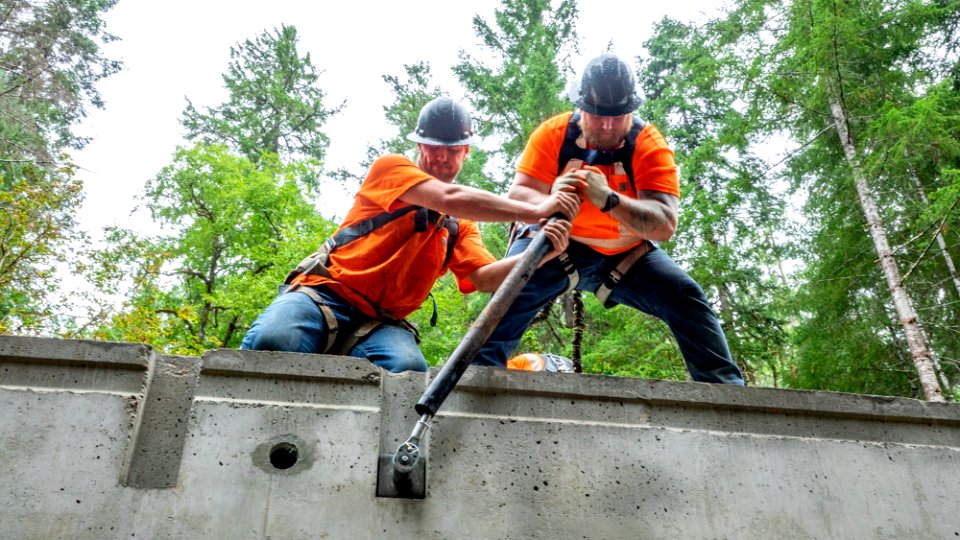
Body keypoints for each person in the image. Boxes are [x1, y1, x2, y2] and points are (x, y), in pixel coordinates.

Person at [240, 97, 579, 373]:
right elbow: (447, 197)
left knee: (408, 371)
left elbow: (485, 278)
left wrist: (541, 251)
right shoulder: (391, 169)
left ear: (465, 152)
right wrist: (535, 209)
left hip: (380, 323)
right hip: (322, 297)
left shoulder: (460, 224)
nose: (441, 157)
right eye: (433, 147)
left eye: (452, 149)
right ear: (419, 144)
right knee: (274, 340)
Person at [473, 54, 745, 385]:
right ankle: (475, 377)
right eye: (597, 115)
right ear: (580, 107)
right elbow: (519, 197)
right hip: (555, 246)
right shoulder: (553, 135)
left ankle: (726, 394)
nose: (606, 125)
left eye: (617, 117)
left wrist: (609, 200)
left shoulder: (648, 144)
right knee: (512, 288)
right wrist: (551, 199)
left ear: (631, 111)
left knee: (685, 296)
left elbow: (664, 223)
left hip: (626, 255)